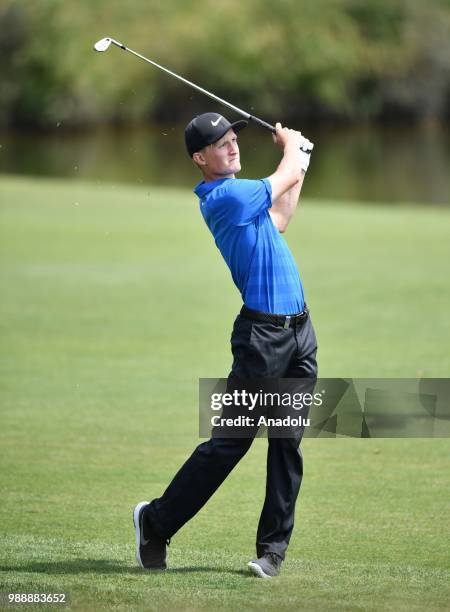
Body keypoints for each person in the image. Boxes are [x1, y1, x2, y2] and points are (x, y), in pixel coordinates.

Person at [133, 113, 318, 578]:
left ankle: (272, 551)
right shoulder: (224, 197)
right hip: (261, 340)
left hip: (300, 335)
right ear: (200, 158)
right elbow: (287, 173)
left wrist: (301, 159)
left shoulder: (246, 199)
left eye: (234, 139)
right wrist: (292, 147)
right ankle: (154, 521)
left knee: (287, 444)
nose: (232, 147)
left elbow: (280, 218)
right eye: (221, 144)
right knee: (230, 445)